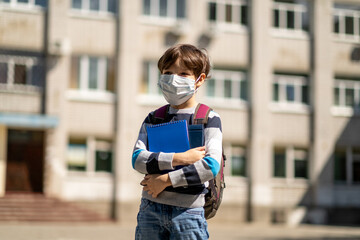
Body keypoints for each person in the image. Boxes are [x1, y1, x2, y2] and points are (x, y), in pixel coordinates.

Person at [132, 44, 223, 240]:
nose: (174, 79)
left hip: (188, 213)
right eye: (168, 72)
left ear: (199, 80)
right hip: (150, 209)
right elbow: (138, 159)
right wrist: (179, 158)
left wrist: (165, 180)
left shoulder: (208, 118)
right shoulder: (154, 118)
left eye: (183, 74)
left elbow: (210, 166)